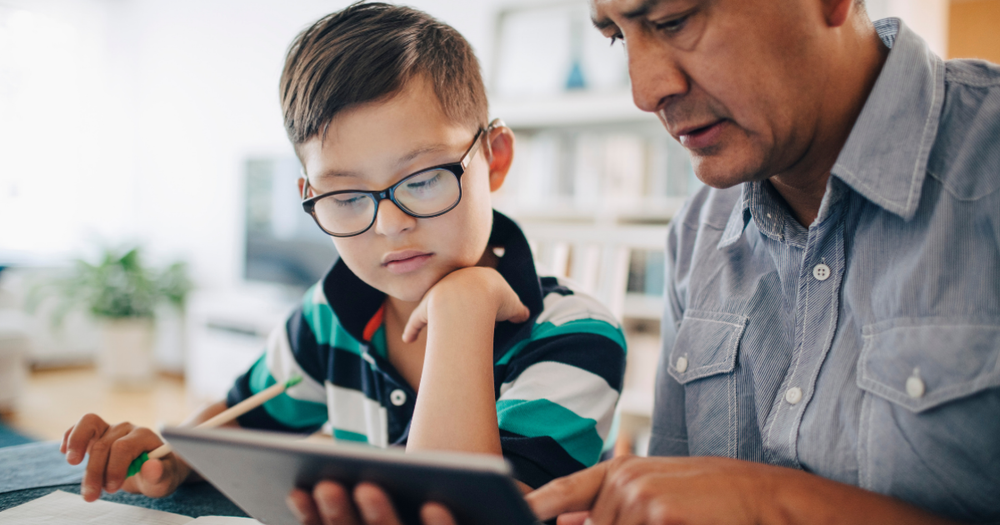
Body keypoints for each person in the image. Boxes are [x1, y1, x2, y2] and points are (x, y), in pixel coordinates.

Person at [309, 0, 999, 524]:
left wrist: (776, 504)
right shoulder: (701, 232)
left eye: (671, 18)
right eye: (615, 35)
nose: (645, 89)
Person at [59, 2, 628, 516]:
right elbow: (243, 418)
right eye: (348, 197)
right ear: (310, 197)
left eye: (425, 179)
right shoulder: (331, 315)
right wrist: (173, 455)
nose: (390, 224)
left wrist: (463, 311)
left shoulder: (576, 337)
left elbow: (469, 516)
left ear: (494, 158)